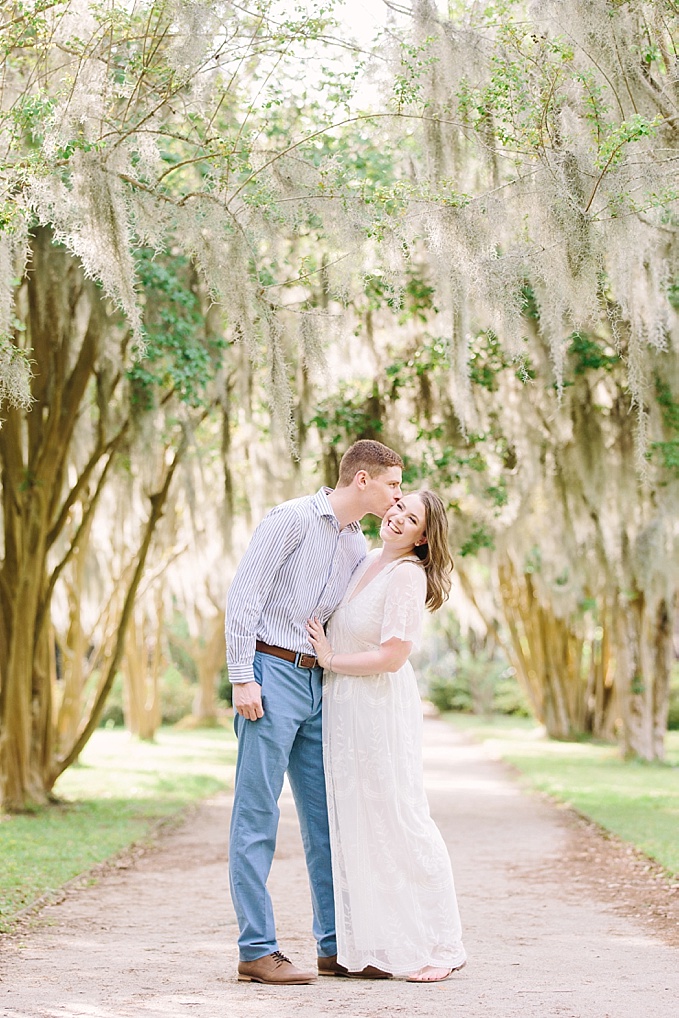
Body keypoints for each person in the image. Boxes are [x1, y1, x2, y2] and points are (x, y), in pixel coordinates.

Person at [225, 439, 404, 985]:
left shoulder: (357, 545)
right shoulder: (291, 519)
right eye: (394, 484)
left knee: (327, 818)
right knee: (258, 815)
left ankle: (335, 946)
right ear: (363, 481)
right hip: (270, 671)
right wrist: (241, 677)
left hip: (317, 682)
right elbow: (244, 596)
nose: (398, 497)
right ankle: (257, 950)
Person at [306, 490, 467, 983]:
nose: (397, 516)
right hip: (345, 708)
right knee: (361, 821)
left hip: (377, 707)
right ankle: (378, 941)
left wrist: (331, 659)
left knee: (401, 816)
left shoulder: (406, 575)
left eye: (411, 517)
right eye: (399, 507)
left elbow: (394, 655)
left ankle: (444, 945)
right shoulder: (369, 559)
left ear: (423, 538)